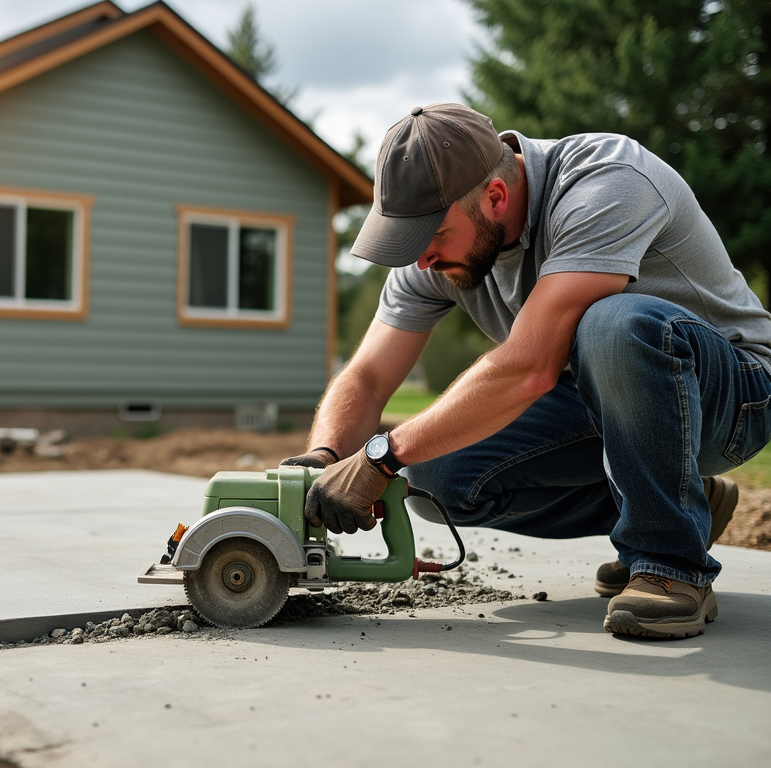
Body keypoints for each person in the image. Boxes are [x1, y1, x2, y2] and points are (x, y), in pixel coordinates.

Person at [283, 103, 771, 639]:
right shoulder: (433, 255)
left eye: (434, 234)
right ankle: (681, 498)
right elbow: (367, 378)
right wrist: (322, 461)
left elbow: (529, 367)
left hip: (733, 397)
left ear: (496, 196)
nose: (421, 257)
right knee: (436, 477)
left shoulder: (606, 180)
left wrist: (380, 456)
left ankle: (670, 563)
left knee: (612, 322)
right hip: (599, 401)